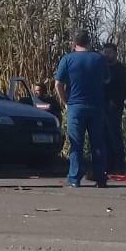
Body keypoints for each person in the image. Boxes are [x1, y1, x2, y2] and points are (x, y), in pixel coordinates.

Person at [54, 29, 110, 188]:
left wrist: (65, 101)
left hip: (75, 106)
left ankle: (74, 178)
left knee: (76, 143)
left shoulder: (67, 59)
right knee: (97, 143)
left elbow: (58, 84)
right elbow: (107, 80)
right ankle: (100, 177)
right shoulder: (99, 59)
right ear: (89, 42)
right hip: (96, 106)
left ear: (74, 43)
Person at [102, 43, 126, 175]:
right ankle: (107, 166)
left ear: (115, 53)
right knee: (104, 137)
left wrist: (115, 100)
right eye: (105, 52)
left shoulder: (120, 69)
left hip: (114, 108)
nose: (107, 55)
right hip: (101, 107)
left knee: (115, 137)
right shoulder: (101, 68)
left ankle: (119, 166)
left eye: (109, 52)